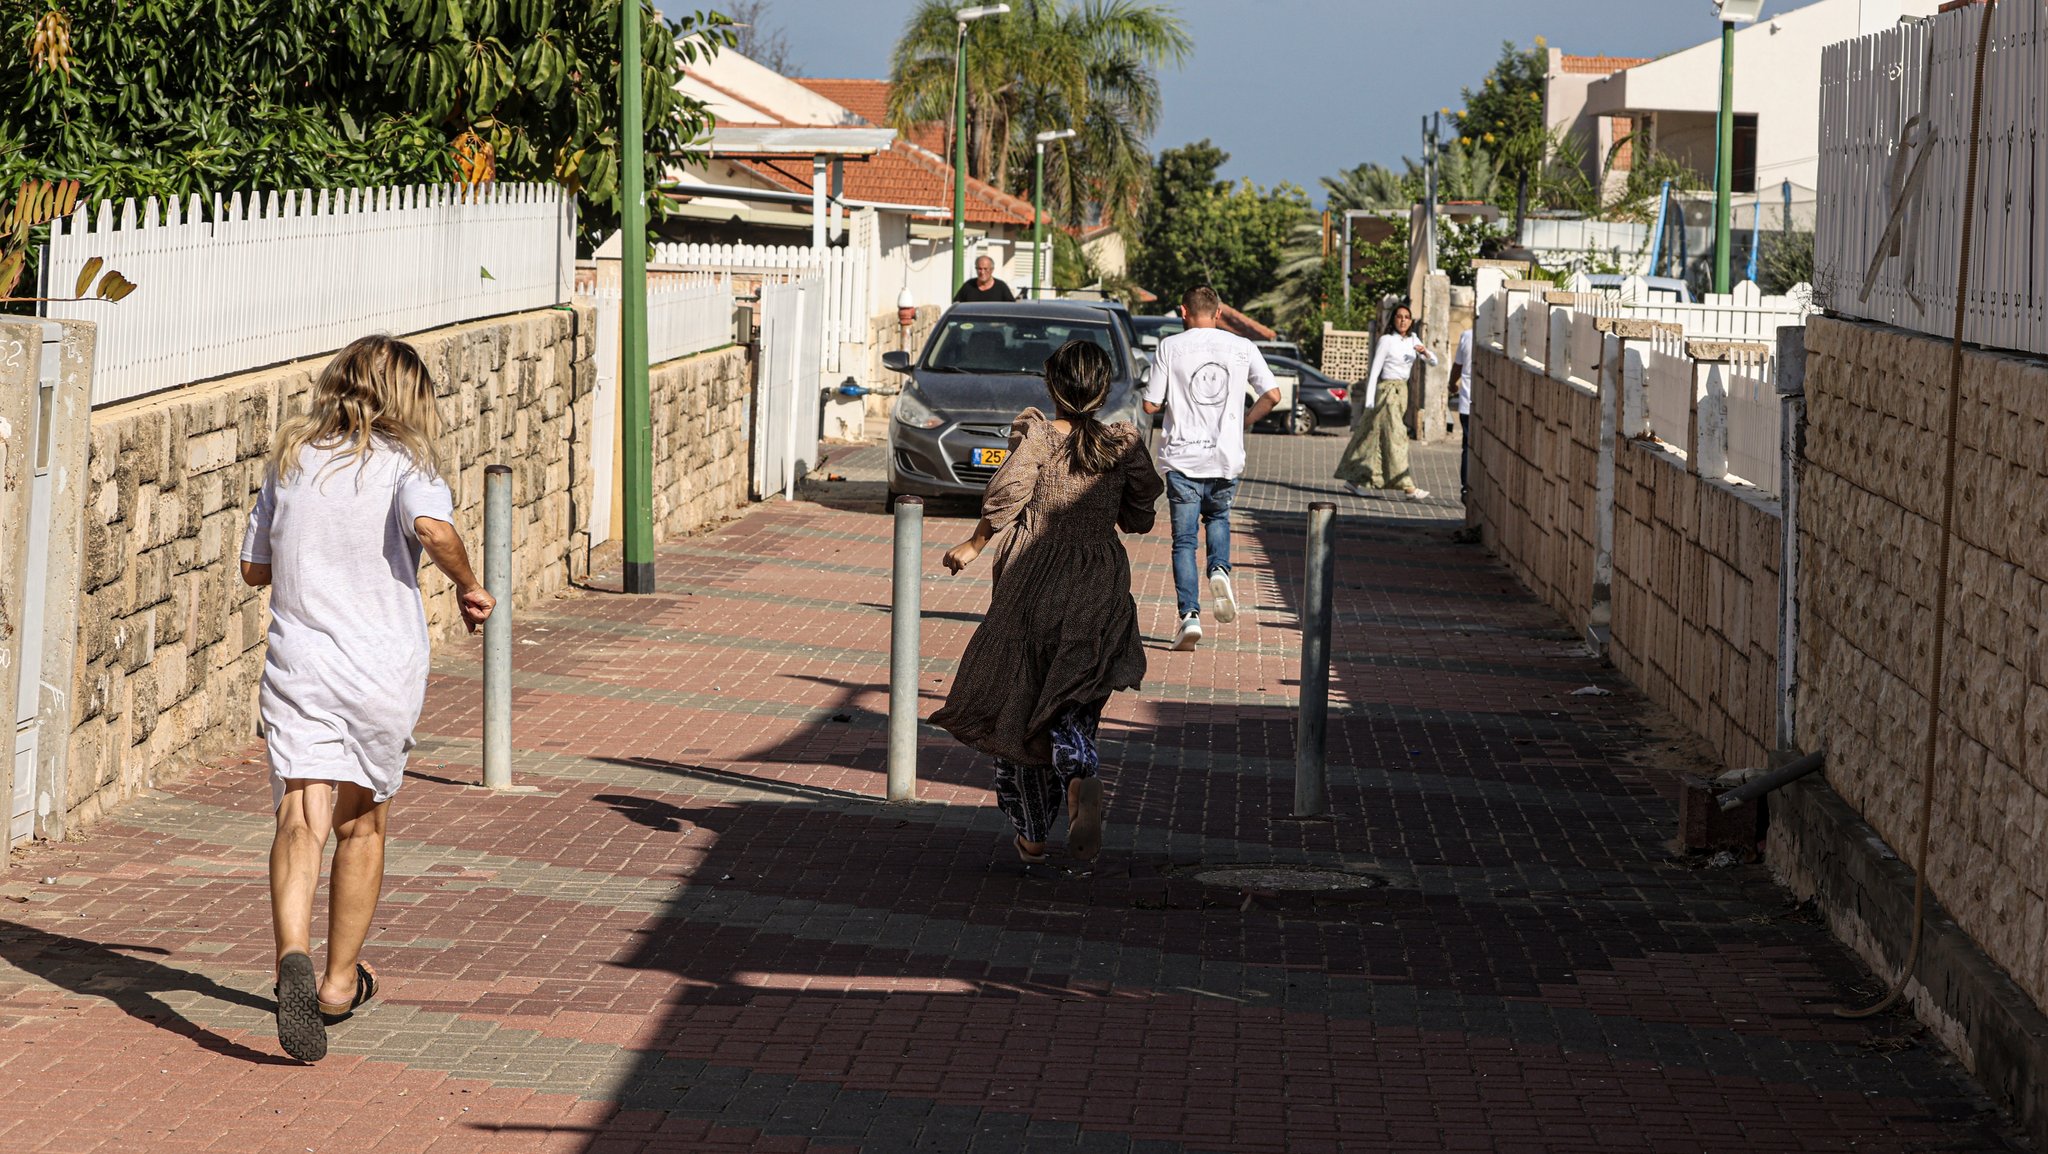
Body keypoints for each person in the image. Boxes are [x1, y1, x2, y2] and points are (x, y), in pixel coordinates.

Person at [240, 335, 494, 1062]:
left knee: (300, 814)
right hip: (379, 669)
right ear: (408, 397)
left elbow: (256, 570)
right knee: (362, 827)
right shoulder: (406, 462)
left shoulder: (291, 459)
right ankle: (337, 983)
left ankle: (292, 949)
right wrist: (467, 583)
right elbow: (432, 527)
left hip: (301, 664)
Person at [932, 340, 1164, 865]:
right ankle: (1080, 770)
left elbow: (1006, 495)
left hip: (1034, 581)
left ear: (1052, 387)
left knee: (1020, 701)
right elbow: (1142, 508)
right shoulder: (1120, 443)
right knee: (1074, 694)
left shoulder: (1039, 437)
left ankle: (1033, 833)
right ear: (1103, 391)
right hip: (1098, 583)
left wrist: (972, 545)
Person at [1143, 286, 1281, 652]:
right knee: (1218, 519)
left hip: (1183, 460)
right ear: (1218, 313)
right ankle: (1219, 569)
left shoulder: (1169, 347)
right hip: (1225, 458)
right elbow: (1273, 395)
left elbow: (1150, 404)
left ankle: (1189, 616)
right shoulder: (1243, 347)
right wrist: (1244, 422)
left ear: (1182, 312)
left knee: (1184, 543)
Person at [1334, 303, 1436, 500]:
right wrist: (1370, 400)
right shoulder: (1386, 340)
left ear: (1411, 320)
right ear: (1393, 319)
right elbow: (1374, 371)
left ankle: (1353, 481)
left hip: (1402, 393)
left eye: (1407, 317)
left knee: (1372, 436)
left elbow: (1434, 362)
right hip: (1387, 392)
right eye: (1399, 317)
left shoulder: (1413, 340)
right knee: (1397, 437)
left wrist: (1424, 352)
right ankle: (1408, 487)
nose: (1403, 320)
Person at [1448, 326, 1473, 500]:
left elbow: (1458, 366)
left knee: (1468, 447)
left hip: (1466, 402)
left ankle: (1465, 487)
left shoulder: (1467, 336)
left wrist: (1451, 384)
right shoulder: (1498, 334)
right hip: (1474, 402)